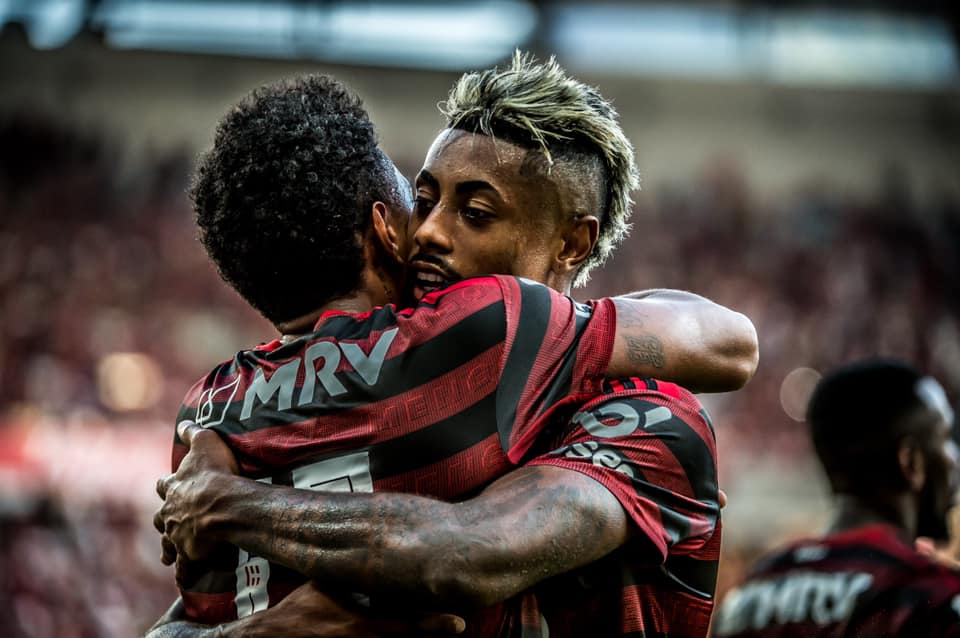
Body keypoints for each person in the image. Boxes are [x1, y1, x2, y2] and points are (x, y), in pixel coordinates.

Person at [151, 55, 754, 637]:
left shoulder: (644, 416)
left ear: (571, 243)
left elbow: (467, 552)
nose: (431, 231)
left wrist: (230, 504)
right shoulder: (400, 378)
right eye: (427, 199)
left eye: (476, 212)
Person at [712, 359, 960, 637]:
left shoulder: (744, 600)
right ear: (910, 461)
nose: (955, 460)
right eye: (946, 438)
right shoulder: (931, 598)